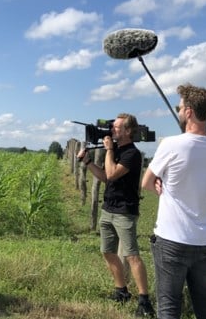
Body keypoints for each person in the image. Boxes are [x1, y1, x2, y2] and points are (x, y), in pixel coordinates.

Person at [141, 83, 206, 319]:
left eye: (180, 108)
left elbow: (147, 182)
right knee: (205, 305)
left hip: (172, 238)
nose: (178, 111)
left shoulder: (171, 144)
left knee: (169, 305)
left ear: (189, 112)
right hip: (205, 241)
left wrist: (161, 184)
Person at [78, 113, 156, 318]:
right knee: (107, 251)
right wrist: (88, 162)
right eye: (112, 127)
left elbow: (112, 173)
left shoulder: (132, 154)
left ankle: (144, 300)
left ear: (128, 131)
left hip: (124, 212)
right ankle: (121, 291)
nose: (112, 131)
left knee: (131, 255)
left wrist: (109, 150)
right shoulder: (117, 152)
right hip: (108, 209)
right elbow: (105, 177)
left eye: (117, 128)